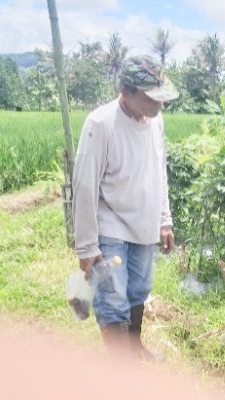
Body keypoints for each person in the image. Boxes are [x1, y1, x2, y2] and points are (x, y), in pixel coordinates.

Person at [72, 55, 177, 360]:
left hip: (144, 223)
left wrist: (164, 219)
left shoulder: (156, 121)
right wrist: (87, 246)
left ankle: (135, 348)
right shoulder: (100, 123)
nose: (161, 104)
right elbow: (85, 187)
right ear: (127, 92)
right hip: (111, 224)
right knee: (113, 298)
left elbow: (159, 171)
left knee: (138, 291)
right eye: (152, 97)